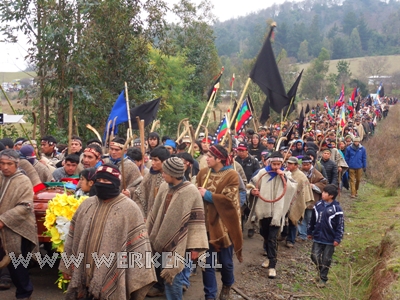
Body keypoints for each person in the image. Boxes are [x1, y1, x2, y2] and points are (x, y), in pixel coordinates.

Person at [59, 164, 156, 299]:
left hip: (113, 275)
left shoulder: (130, 209)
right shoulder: (86, 205)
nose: (102, 184)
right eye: (99, 180)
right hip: (84, 273)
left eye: (106, 181)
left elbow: (139, 246)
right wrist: (67, 265)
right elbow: (72, 236)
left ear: (116, 183)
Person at [146, 157, 208, 299]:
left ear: (173, 174)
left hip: (180, 244)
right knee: (163, 273)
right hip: (162, 238)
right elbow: (155, 213)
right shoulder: (164, 187)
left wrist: (195, 248)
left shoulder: (191, 192)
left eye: (165, 172)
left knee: (173, 279)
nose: (163, 175)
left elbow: (196, 222)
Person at [197, 145, 243, 300]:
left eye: (210, 156)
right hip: (204, 225)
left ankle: (227, 283)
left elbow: (229, 200)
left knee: (226, 263)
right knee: (206, 264)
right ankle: (209, 296)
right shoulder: (203, 173)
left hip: (224, 226)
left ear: (219, 159)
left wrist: (208, 195)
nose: (206, 158)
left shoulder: (232, 175)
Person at [249, 151, 298, 278]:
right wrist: (252, 192)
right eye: (274, 164)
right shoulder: (262, 173)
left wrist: (284, 177)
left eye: (278, 164)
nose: (276, 167)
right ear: (269, 163)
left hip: (277, 212)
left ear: (282, 164)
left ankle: (272, 265)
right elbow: (251, 185)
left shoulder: (286, 174)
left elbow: (292, 188)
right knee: (264, 234)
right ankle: (269, 256)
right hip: (263, 209)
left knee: (272, 237)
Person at [0, 149, 38, 299]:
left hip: (16, 228)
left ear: (16, 164)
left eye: (9, 164)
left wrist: (3, 220)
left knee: (17, 264)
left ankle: (24, 292)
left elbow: (26, 206)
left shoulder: (23, 180)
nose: (5, 167)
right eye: (2, 163)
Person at [307, 184, 344, 288]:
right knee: (314, 255)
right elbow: (312, 220)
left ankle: (323, 279)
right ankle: (319, 271)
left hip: (330, 239)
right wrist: (310, 231)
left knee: (326, 259)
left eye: (324, 193)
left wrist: (338, 238)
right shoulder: (318, 205)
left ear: (331, 196)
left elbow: (340, 225)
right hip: (318, 237)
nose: (322, 194)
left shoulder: (337, 209)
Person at [284, 157, 313, 248]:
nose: (288, 165)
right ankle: (283, 234)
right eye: (288, 163)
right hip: (284, 200)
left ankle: (291, 240)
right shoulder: (284, 173)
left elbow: (304, 190)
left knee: (293, 220)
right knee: (282, 219)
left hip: (295, 201)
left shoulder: (301, 177)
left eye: (291, 164)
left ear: (296, 165)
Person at [133, 146, 170, 217]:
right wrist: (142, 214)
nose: (152, 163)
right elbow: (139, 194)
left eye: (156, 160)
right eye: (152, 159)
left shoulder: (171, 177)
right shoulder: (150, 175)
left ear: (164, 161)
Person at [299, 156, 327, 241]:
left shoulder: (317, 173)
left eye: (307, 165)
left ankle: (311, 233)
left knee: (310, 217)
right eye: (304, 165)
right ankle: (302, 234)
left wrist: (314, 186)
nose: (305, 167)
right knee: (301, 217)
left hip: (312, 198)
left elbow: (324, 183)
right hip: (301, 198)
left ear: (310, 164)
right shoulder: (300, 172)